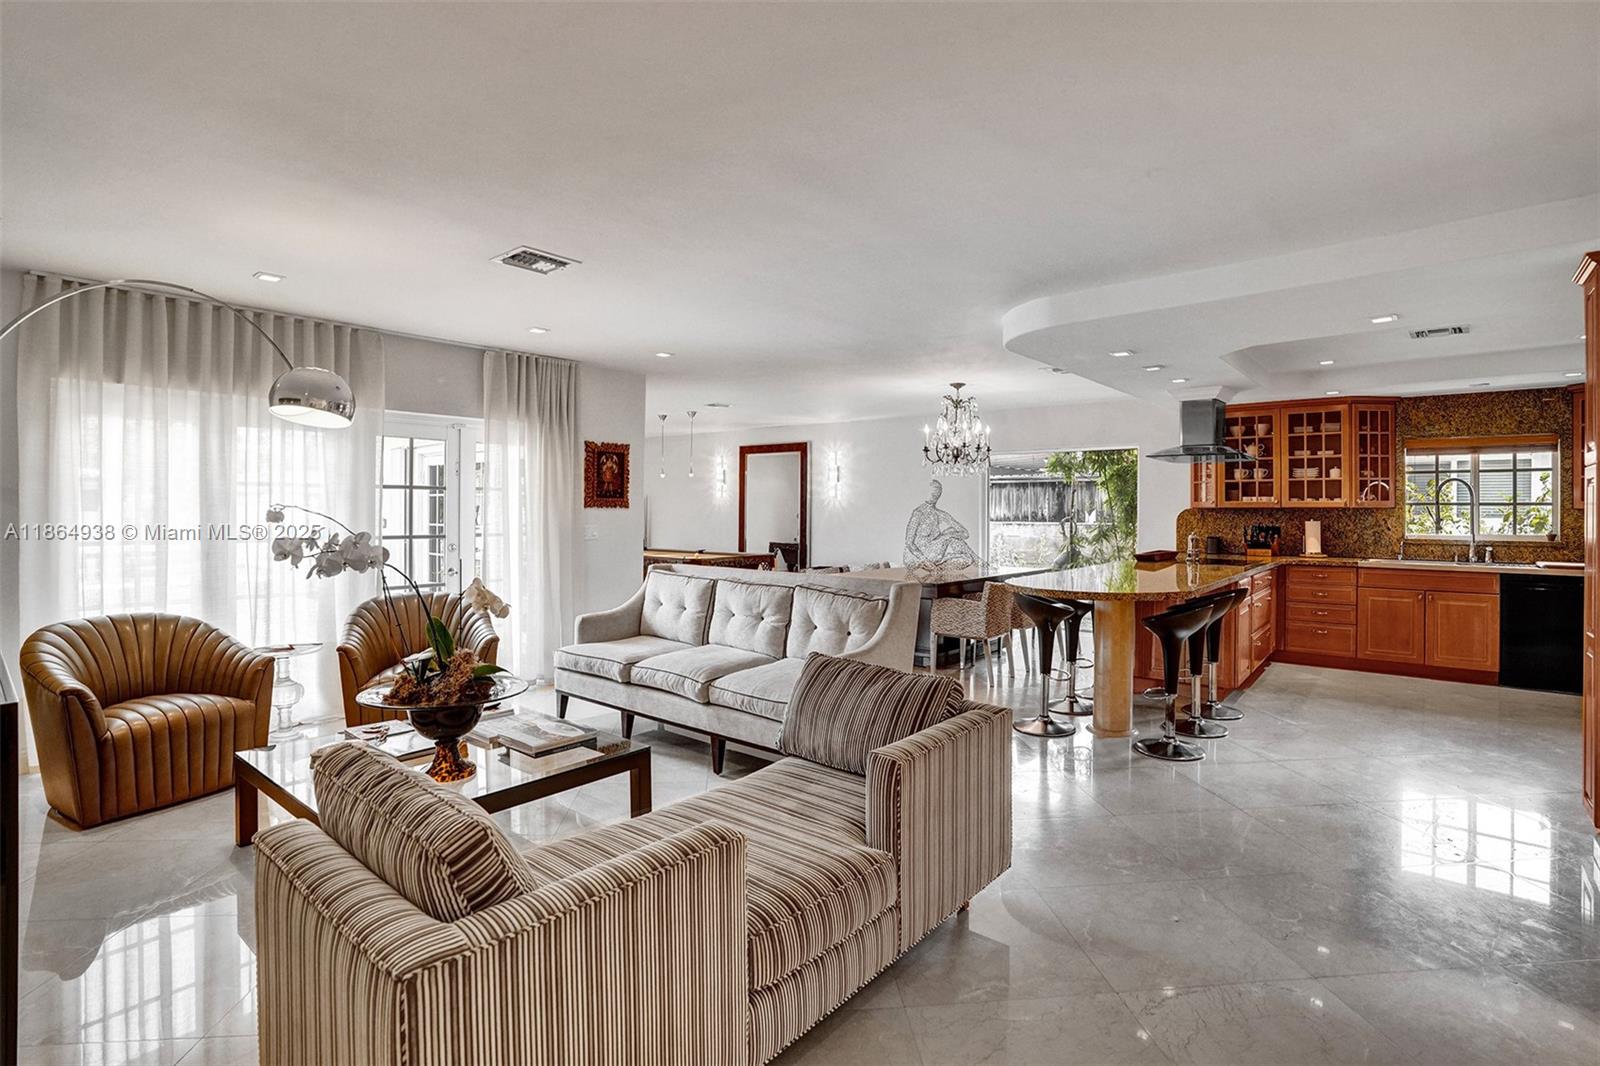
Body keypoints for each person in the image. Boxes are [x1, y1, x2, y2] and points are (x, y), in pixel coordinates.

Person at [903, 479, 978, 568]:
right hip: (916, 558)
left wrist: (948, 534)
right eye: (933, 491)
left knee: (966, 557)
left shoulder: (940, 514)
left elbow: (965, 533)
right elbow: (909, 542)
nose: (935, 494)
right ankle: (979, 563)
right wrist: (924, 560)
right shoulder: (918, 513)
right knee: (950, 535)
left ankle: (978, 563)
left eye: (938, 491)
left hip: (934, 555)